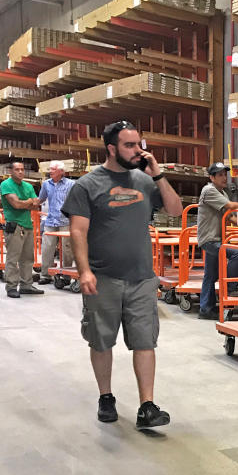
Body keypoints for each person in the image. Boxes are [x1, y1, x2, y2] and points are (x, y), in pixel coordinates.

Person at [61, 120, 183, 430]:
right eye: (129, 145)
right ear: (112, 148)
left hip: (142, 277)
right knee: (101, 341)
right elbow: (78, 230)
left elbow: (176, 209)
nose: (137, 150)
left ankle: (147, 406)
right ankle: (106, 397)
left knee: (145, 342)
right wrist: (84, 271)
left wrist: (158, 174)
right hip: (103, 278)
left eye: (139, 144)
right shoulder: (87, 185)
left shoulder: (145, 181)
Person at [197, 162, 238, 320]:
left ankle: (206, 309)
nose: (224, 178)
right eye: (220, 175)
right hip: (210, 239)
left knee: (210, 275)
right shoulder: (209, 190)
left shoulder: (222, 193)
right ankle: (231, 288)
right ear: (212, 177)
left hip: (216, 238)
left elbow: (229, 216)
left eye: (225, 174)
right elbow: (230, 206)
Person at [0, 162, 43, 298]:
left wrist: (26, 203)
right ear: (11, 171)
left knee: (28, 258)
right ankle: (11, 286)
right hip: (14, 225)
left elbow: (36, 205)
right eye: (17, 169)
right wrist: (29, 201)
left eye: (22, 169)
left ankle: (26, 285)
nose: (20, 172)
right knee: (13, 257)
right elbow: (16, 204)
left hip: (28, 225)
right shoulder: (6, 185)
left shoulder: (28, 186)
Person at [37, 160, 75, 284]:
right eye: (50, 169)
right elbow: (41, 199)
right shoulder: (46, 184)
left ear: (61, 172)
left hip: (66, 221)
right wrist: (28, 203)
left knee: (67, 249)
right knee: (47, 248)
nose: (50, 171)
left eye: (53, 169)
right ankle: (45, 275)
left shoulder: (71, 184)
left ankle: (66, 275)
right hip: (50, 220)